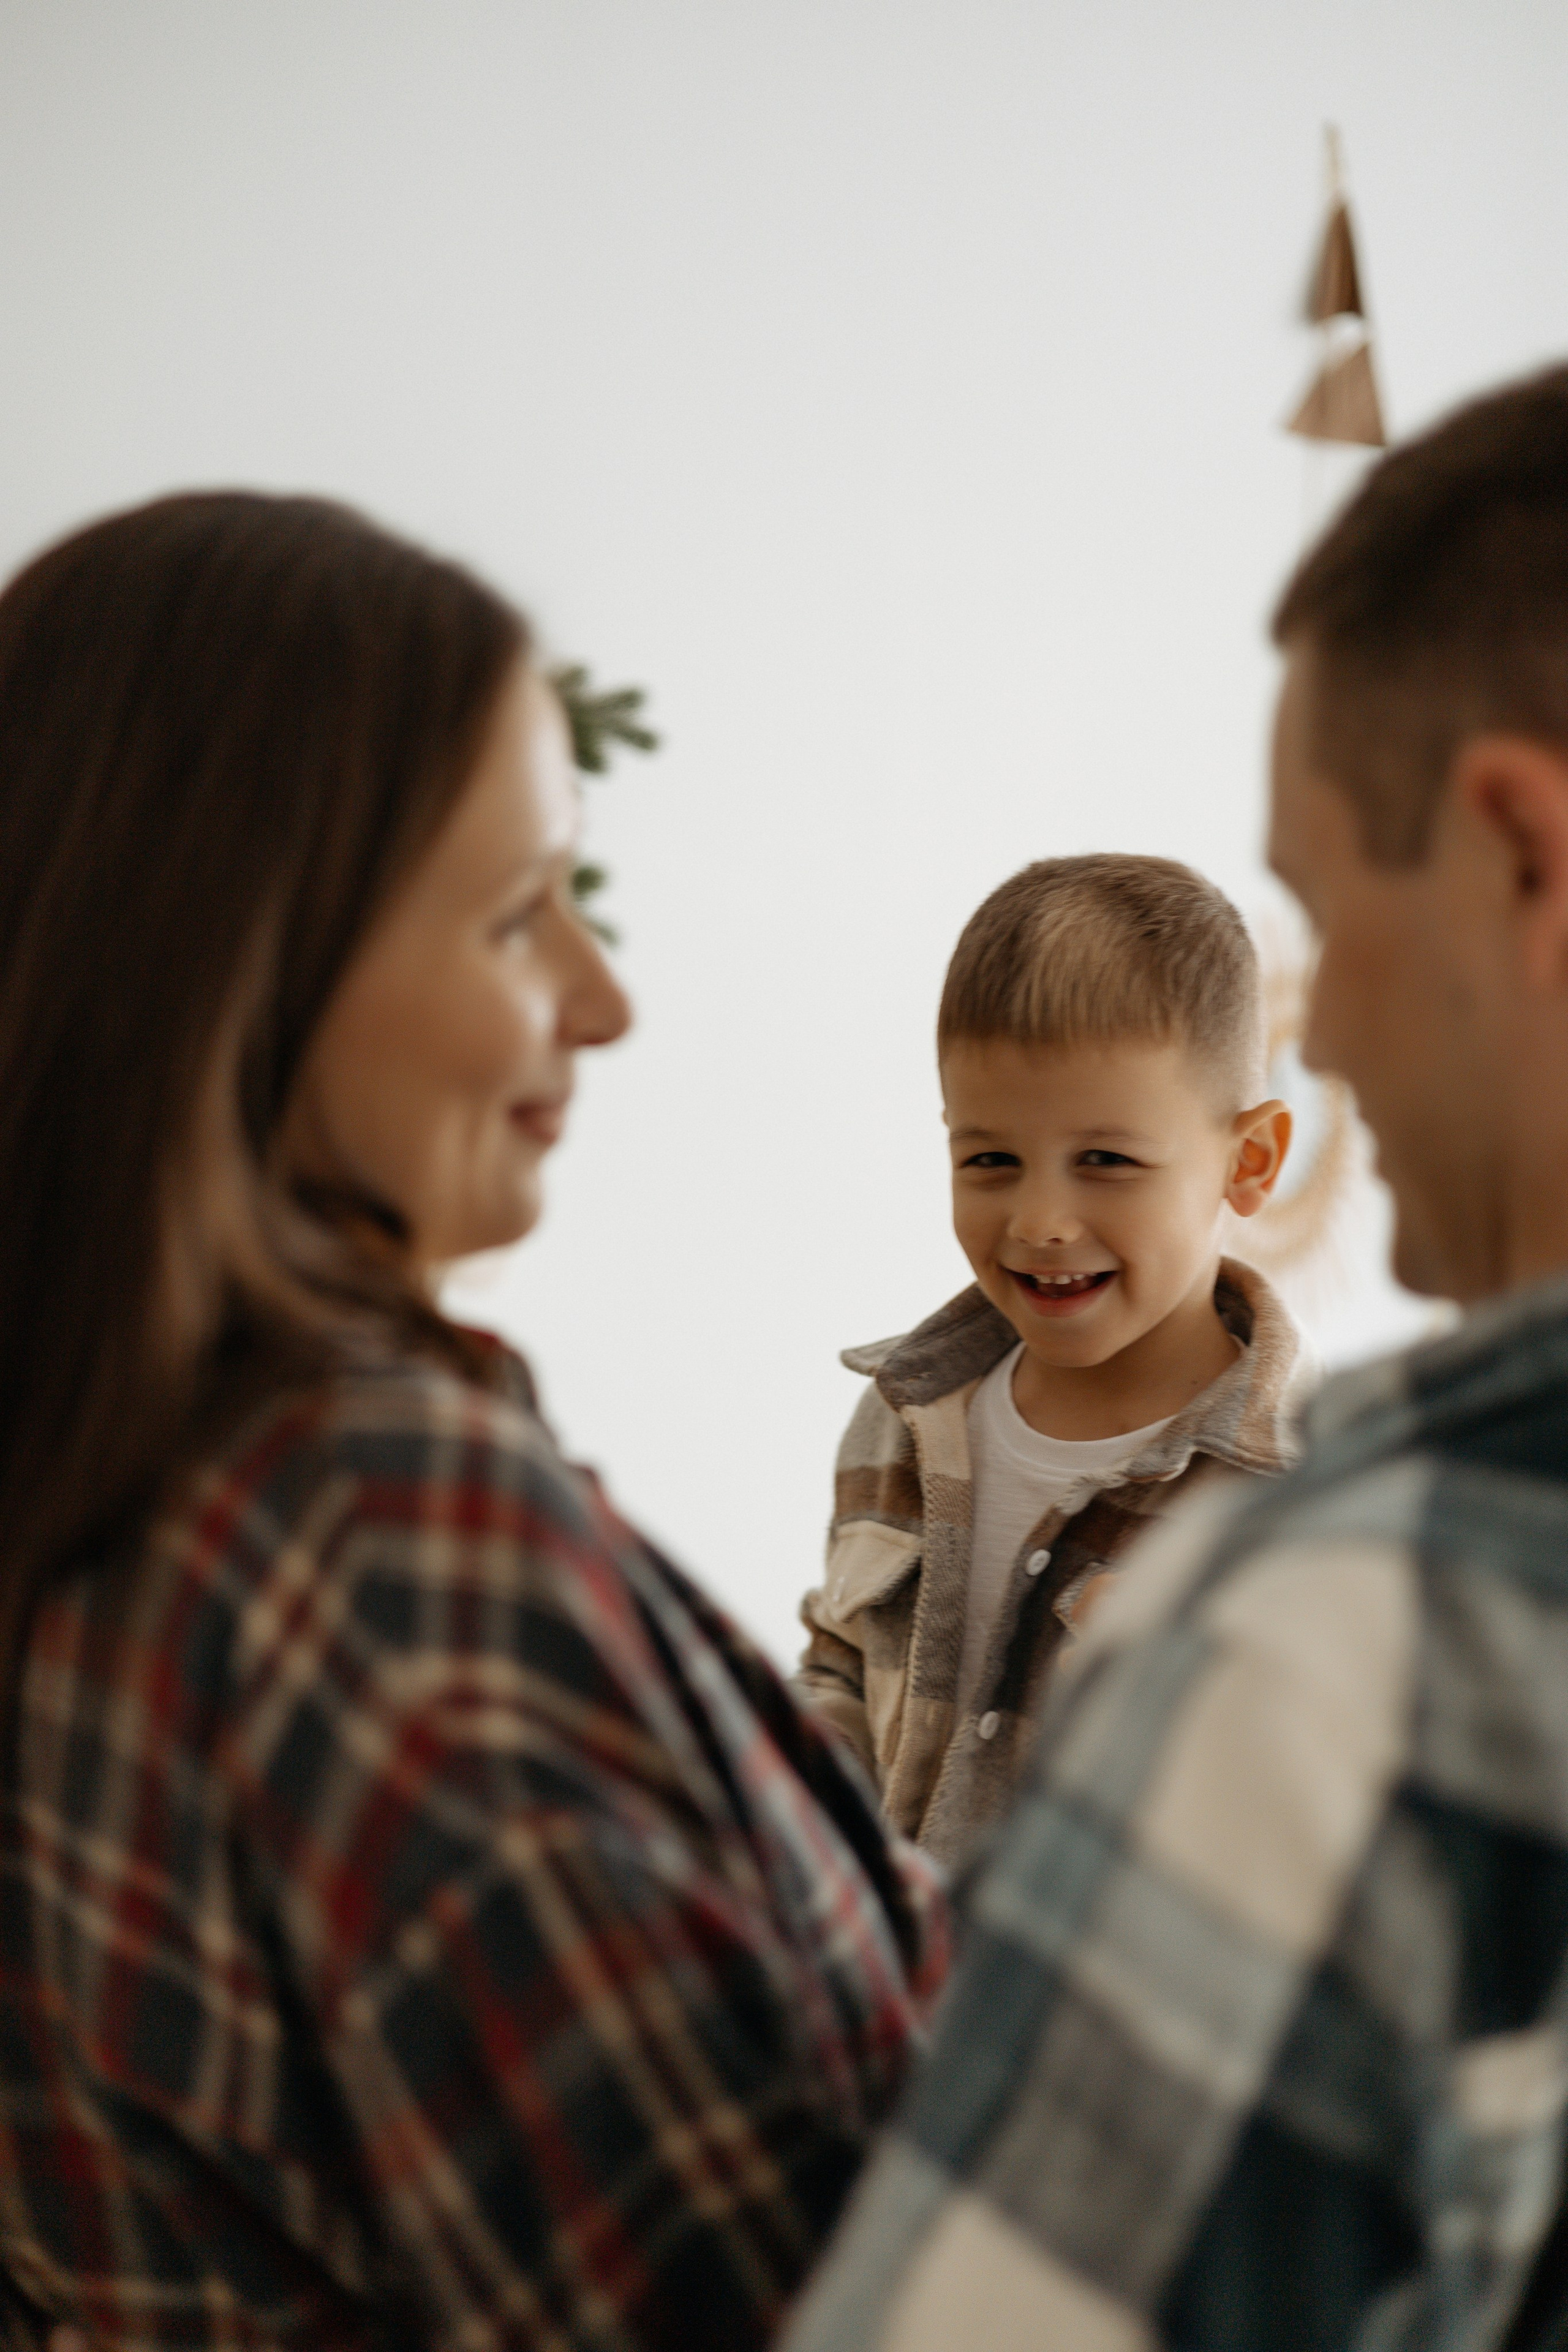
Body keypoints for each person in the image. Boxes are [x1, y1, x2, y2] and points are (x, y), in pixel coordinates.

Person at [0, 492, 946, 2352]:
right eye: (520, 915)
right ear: (236, 961)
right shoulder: (368, 1541)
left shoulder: (101, 1483)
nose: (605, 1000)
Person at [783, 364, 1568, 2352]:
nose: (1339, 1035)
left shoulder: (1342, 1627)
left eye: (1320, 911)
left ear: (1521, 859)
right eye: (991, 1157)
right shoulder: (915, 1417)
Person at [795, 856, 1308, 1865]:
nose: (1039, 1222)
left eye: (1107, 1162)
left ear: (1247, 1162)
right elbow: (840, 1671)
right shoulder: (901, 1415)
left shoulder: (1298, 1499)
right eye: (989, 1160)